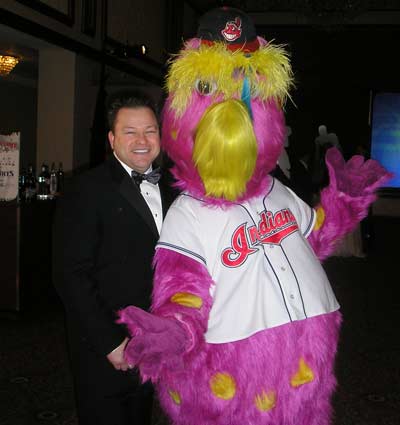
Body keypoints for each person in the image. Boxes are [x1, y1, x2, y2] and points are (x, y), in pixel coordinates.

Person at [53, 90, 177, 425]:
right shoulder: (86, 189)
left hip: (153, 342)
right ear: (111, 139)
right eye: (129, 131)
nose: (142, 140)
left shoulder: (172, 187)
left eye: (150, 131)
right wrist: (111, 343)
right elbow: (70, 275)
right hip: (104, 345)